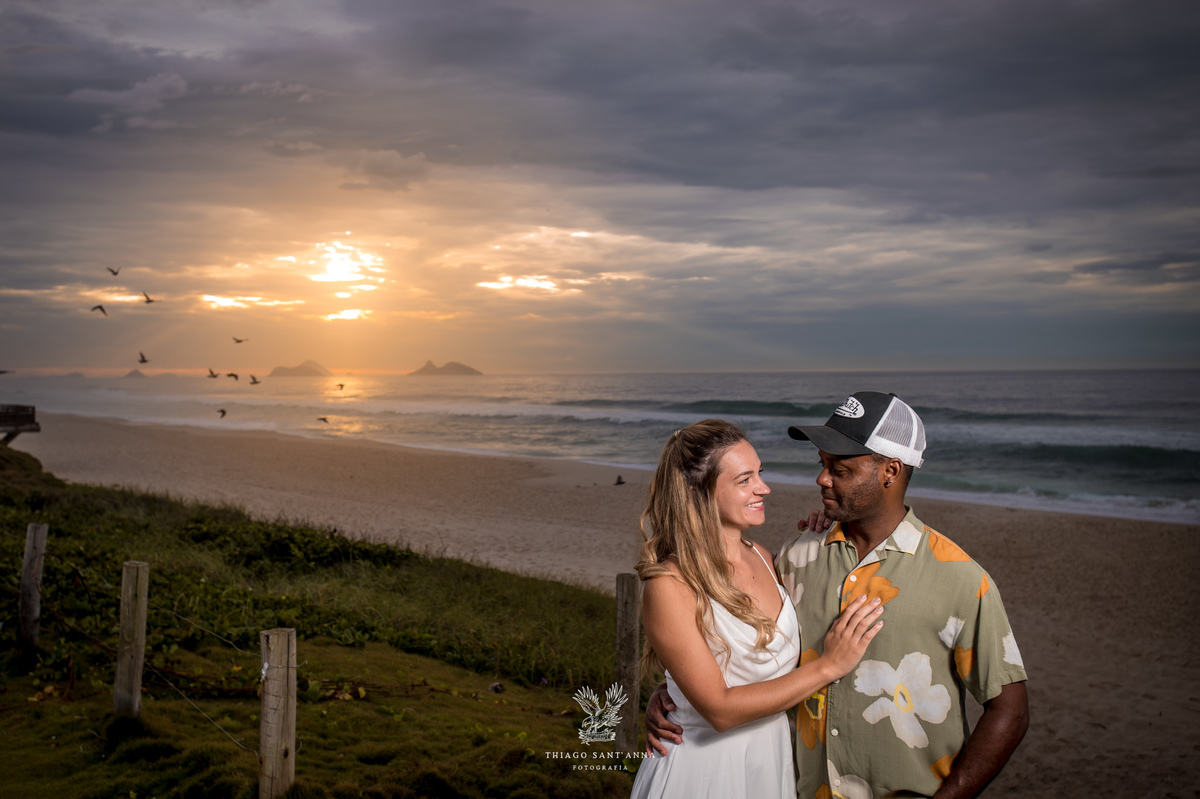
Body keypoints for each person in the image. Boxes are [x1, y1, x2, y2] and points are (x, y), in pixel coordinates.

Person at [645, 393, 1029, 799]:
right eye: (822, 465)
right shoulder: (798, 556)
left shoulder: (960, 578)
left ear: (891, 471)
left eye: (839, 469)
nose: (822, 479)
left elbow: (1010, 709)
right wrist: (680, 694)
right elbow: (732, 646)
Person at [630, 419, 885, 799]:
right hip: (703, 774)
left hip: (770, 763)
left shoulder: (767, 558)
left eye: (760, 474)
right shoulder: (670, 583)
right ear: (699, 491)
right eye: (744, 480)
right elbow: (720, 710)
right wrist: (831, 665)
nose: (763, 488)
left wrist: (823, 529)